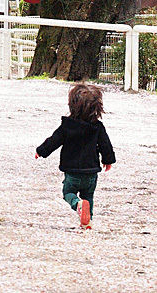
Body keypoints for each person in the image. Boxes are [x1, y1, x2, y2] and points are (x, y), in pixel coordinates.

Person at [35, 83, 116, 229]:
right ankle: (87, 222)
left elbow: (54, 140)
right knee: (88, 196)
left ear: (72, 105)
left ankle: (77, 204)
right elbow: (106, 145)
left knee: (69, 192)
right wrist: (108, 160)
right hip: (91, 171)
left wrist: (41, 151)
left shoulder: (67, 126)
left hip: (72, 171)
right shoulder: (97, 127)